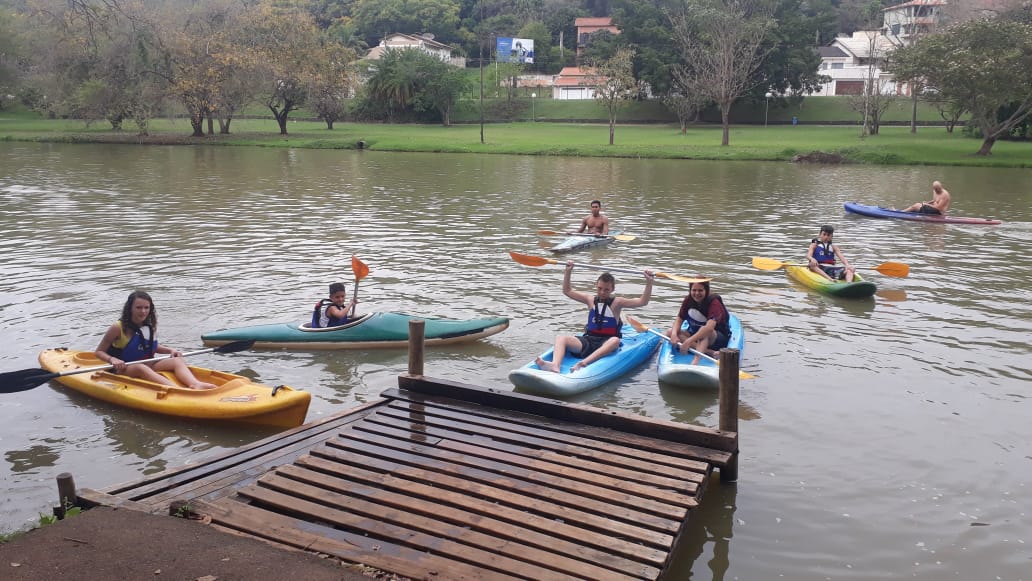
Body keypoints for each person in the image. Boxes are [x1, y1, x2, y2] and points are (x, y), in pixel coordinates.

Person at [536, 261, 654, 373]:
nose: (602, 292)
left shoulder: (618, 302)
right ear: (596, 285)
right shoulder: (590, 299)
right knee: (561, 337)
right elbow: (567, 291)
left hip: (607, 342)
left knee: (615, 340)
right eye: (600, 288)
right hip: (589, 340)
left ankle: (583, 363)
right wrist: (568, 271)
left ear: (612, 289)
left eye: (606, 290)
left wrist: (649, 282)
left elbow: (642, 302)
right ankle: (555, 365)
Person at [94, 290, 217, 390]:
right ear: (130, 308)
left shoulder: (149, 325)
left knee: (177, 360)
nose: (143, 311)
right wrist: (112, 359)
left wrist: (170, 350)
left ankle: (195, 384)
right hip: (124, 368)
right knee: (140, 368)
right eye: (138, 307)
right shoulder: (117, 328)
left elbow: (150, 346)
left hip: (148, 363)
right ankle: (176, 389)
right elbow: (99, 352)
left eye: (146, 308)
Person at [669, 281, 731, 365]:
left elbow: (709, 328)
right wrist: (673, 335)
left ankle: (695, 362)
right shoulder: (688, 300)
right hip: (695, 335)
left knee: (704, 332)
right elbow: (680, 318)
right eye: (694, 290)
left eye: (700, 290)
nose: (697, 293)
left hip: (716, 338)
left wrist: (688, 342)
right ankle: (709, 352)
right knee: (670, 331)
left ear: (707, 290)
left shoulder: (714, 303)